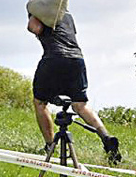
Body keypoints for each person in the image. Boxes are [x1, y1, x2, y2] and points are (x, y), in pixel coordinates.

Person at [28, 9, 121, 163]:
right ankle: (106, 138)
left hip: (53, 58)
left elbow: (36, 28)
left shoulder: (39, 11)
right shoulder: (68, 16)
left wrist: (32, 18)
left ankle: (50, 145)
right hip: (77, 60)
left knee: (40, 102)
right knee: (80, 105)